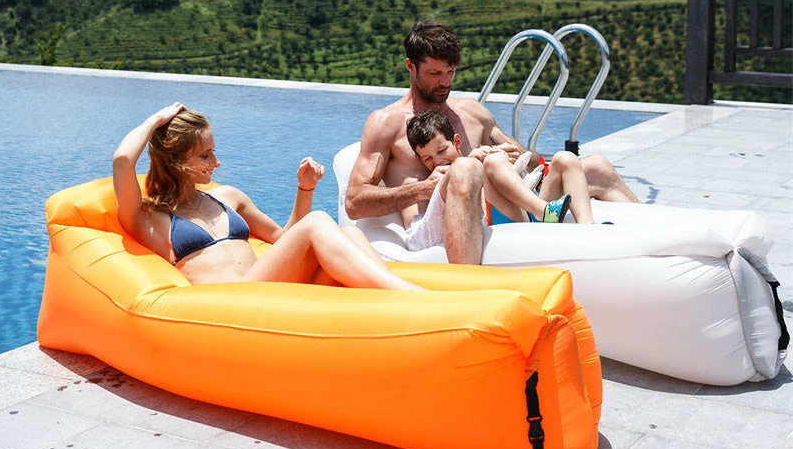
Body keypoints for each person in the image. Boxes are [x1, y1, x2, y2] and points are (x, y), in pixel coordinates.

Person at [345, 20, 637, 264]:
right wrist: (422, 189)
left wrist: (518, 155)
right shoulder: (388, 123)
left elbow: (532, 162)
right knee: (466, 170)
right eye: (434, 73)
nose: (445, 82)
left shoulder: (471, 113)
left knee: (596, 166)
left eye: (450, 72)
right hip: (454, 223)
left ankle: (647, 246)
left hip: (508, 206)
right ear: (411, 67)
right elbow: (355, 203)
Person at [113, 103, 423, 290]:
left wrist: (305, 189)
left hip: (268, 292)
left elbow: (286, 238)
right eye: (205, 155)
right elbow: (123, 161)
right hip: (231, 303)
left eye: (214, 151)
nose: (217, 162)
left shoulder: (227, 197)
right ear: (177, 161)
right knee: (318, 221)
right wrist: (156, 121)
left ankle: (400, 306)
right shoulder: (148, 217)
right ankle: (408, 296)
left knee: (351, 234)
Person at [401, 110, 581, 251]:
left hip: (530, 211)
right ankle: (544, 211)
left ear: (457, 142)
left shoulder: (480, 156)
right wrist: (477, 165)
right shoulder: (435, 183)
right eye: (428, 159)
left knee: (565, 158)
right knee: (493, 161)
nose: (438, 161)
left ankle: (587, 227)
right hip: (507, 221)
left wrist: (508, 159)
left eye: (442, 151)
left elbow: (535, 165)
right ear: (420, 161)